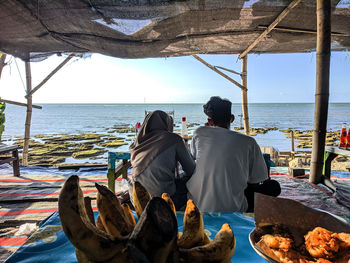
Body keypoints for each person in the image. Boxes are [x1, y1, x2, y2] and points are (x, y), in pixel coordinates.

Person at [186, 96, 280, 212]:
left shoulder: (199, 132)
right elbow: (257, 180)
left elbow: (194, 155)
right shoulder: (249, 141)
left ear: (209, 121)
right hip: (233, 207)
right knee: (273, 186)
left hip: (196, 204)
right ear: (232, 118)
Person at [129, 110, 195, 210]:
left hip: (137, 199)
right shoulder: (174, 139)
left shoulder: (136, 144)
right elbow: (191, 169)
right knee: (189, 182)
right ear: (167, 124)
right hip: (165, 201)